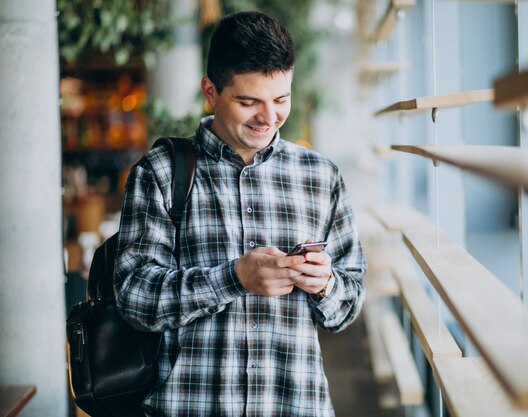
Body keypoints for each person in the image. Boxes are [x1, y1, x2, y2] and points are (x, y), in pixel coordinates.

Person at [114, 10, 366, 417]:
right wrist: (232, 278)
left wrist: (325, 284)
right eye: (248, 102)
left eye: (281, 99)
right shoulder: (160, 172)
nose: (268, 117)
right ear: (211, 92)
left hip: (295, 405)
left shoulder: (321, 176)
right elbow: (134, 297)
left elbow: (349, 303)